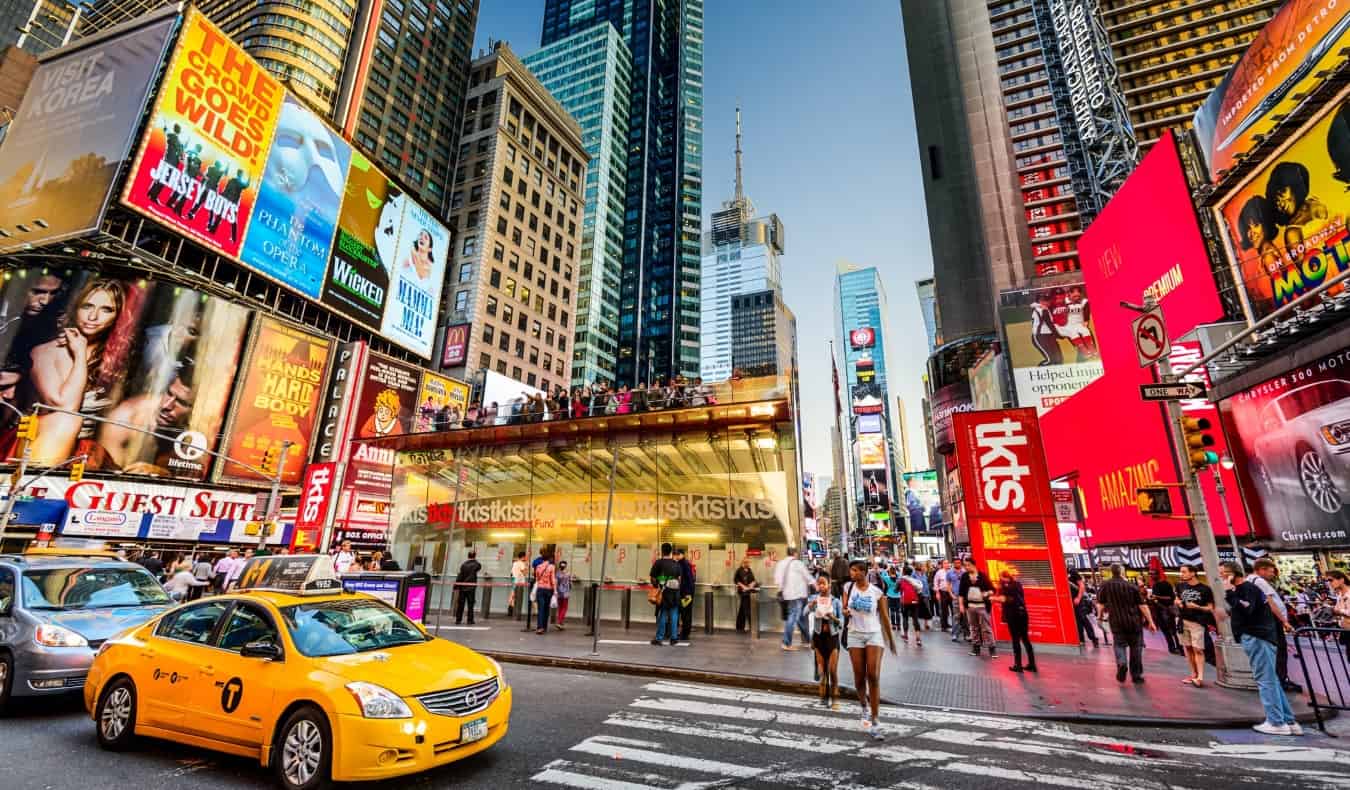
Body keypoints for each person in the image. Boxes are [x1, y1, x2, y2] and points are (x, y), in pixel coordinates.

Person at [1220, 561, 1301, 736]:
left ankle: (1276, 722)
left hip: (1257, 637)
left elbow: (1246, 608)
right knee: (1271, 679)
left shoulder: (1247, 589)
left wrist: (1228, 593)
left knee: (1265, 679)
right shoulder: (1246, 589)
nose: (1221, 578)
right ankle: (1288, 720)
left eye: (1223, 574)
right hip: (1260, 636)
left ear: (1232, 574)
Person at [844, 559, 895, 739]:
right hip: (854, 634)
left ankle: (875, 720)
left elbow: (885, 617)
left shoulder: (877, 592)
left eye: (855, 570)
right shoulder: (848, 588)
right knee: (859, 676)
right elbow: (844, 608)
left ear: (864, 572)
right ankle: (864, 706)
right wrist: (845, 612)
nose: (852, 573)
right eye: (851, 570)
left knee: (872, 675)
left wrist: (891, 640)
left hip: (874, 634)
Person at [1096, 564, 1156, 684]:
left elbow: (1100, 604)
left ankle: (1122, 663)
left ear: (1111, 572)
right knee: (1136, 648)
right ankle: (1136, 676)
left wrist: (1099, 617)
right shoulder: (1132, 586)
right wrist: (1151, 622)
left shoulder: (1105, 586)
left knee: (1119, 645)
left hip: (1116, 622)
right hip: (1134, 622)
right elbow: (1142, 605)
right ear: (1122, 572)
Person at [1249, 558, 1300, 693]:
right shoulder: (1260, 581)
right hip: (1271, 620)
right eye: (1271, 572)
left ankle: (1277, 679)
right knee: (1280, 650)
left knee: (1271, 651)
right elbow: (1271, 604)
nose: (1273, 575)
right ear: (1262, 570)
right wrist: (1284, 621)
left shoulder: (1249, 580)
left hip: (1261, 622)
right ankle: (1281, 680)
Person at [807, 574, 843, 710]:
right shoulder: (814, 599)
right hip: (818, 637)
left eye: (823, 583)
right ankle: (823, 698)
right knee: (822, 671)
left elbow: (842, 623)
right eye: (819, 583)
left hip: (832, 638)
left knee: (833, 670)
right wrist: (811, 605)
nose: (821, 586)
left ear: (829, 585)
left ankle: (835, 699)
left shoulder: (835, 601)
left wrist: (833, 617)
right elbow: (805, 611)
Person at [773, 547, 815, 651]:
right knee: (793, 617)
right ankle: (786, 643)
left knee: (800, 618)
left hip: (787, 595)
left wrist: (783, 589)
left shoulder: (781, 564)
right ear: (795, 553)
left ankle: (808, 641)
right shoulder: (797, 563)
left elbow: (777, 580)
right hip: (798, 594)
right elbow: (808, 577)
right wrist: (816, 585)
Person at [994, 569, 1035, 673]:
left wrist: (992, 598)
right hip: (1023, 613)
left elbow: (1004, 599)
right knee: (1025, 638)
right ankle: (1032, 664)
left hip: (1013, 615)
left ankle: (1018, 665)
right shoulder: (1018, 584)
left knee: (1015, 639)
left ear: (1003, 577)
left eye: (1001, 578)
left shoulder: (1006, 586)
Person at [958, 558, 996, 657]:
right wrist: (961, 605)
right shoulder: (964, 576)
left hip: (982, 606)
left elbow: (992, 590)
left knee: (986, 628)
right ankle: (976, 648)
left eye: (968, 565)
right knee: (973, 627)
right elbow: (961, 593)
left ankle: (992, 648)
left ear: (973, 565)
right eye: (965, 565)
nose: (966, 567)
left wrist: (987, 593)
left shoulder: (982, 576)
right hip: (970, 606)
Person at [650, 543, 682, 646]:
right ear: (671, 551)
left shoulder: (658, 563)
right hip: (675, 592)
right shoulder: (676, 563)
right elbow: (679, 579)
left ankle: (659, 638)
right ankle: (674, 638)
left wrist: (658, 584)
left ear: (662, 551)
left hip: (664, 592)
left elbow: (653, 578)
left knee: (663, 614)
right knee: (674, 615)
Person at [1150, 569, 1183, 656]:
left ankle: (1179, 648)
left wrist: (1156, 597)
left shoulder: (1165, 584)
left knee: (1173, 631)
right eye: (1150, 574)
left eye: (1153, 574)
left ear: (1158, 575)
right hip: (1160, 612)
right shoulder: (1154, 585)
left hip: (1167, 610)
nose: (1151, 576)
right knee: (1166, 632)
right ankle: (1172, 648)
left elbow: (1170, 598)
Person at [1068, 569, 1098, 648]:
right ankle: (1081, 640)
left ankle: (1093, 638)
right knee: (1076, 621)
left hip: (1078, 601)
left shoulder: (1072, 572)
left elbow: (1081, 586)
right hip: (1069, 601)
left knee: (1083, 619)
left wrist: (1078, 597)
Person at [1328, 570, 1350, 662]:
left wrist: (1338, 611)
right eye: (1328, 581)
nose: (1329, 583)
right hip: (1346, 630)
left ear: (1341, 580)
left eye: (1331, 580)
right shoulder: (1340, 594)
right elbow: (1338, 609)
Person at [533, 549, 556, 635]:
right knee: (546, 609)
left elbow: (537, 578)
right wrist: (555, 590)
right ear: (549, 558)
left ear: (542, 558)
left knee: (540, 609)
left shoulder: (538, 567)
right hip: (548, 589)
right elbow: (553, 579)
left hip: (540, 589)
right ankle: (545, 627)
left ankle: (540, 627)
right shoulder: (551, 567)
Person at [899, 565, 924, 645]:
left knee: (905, 617)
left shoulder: (901, 580)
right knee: (915, 619)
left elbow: (896, 590)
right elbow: (919, 590)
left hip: (905, 602)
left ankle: (906, 636)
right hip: (914, 601)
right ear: (911, 573)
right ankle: (918, 638)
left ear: (903, 572)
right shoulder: (914, 580)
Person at [455, 551, 481, 625]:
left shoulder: (463, 565)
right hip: (471, 587)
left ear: (468, 556)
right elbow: (479, 566)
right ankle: (470, 620)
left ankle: (458, 619)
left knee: (461, 604)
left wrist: (456, 585)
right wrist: (474, 559)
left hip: (463, 587)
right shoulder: (476, 564)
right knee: (470, 604)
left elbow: (460, 575)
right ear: (475, 556)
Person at [675, 548, 696, 642]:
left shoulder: (685, 564)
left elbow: (690, 580)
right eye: (675, 554)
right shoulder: (682, 563)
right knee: (683, 613)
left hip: (686, 594)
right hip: (684, 593)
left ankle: (685, 634)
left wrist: (688, 594)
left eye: (677, 554)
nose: (675, 556)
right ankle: (684, 632)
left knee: (685, 614)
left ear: (682, 554)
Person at [734, 558, 759, 632]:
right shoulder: (739, 570)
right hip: (743, 592)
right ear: (743, 563)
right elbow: (736, 580)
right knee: (747, 610)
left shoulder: (750, 570)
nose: (748, 564)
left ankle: (739, 627)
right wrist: (743, 587)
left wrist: (752, 584)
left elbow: (753, 580)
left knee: (742, 609)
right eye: (747, 562)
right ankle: (752, 628)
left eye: (749, 562)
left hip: (749, 591)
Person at [509, 551, 528, 618]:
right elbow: (525, 573)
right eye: (525, 556)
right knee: (518, 596)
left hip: (514, 580)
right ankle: (516, 612)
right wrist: (526, 567)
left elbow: (512, 572)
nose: (526, 557)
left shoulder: (515, 563)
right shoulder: (522, 563)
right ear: (523, 556)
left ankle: (510, 609)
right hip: (519, 582)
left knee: (513, 595)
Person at [555, 560, 573, 629]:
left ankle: (561, 623)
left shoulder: (557, 574)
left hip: (559, 592)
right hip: (566, 593)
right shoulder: (568, 574)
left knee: (560, 608)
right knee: (564, 608)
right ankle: (559, 622)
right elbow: (570, 584)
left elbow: (556, 583)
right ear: (565, 566)